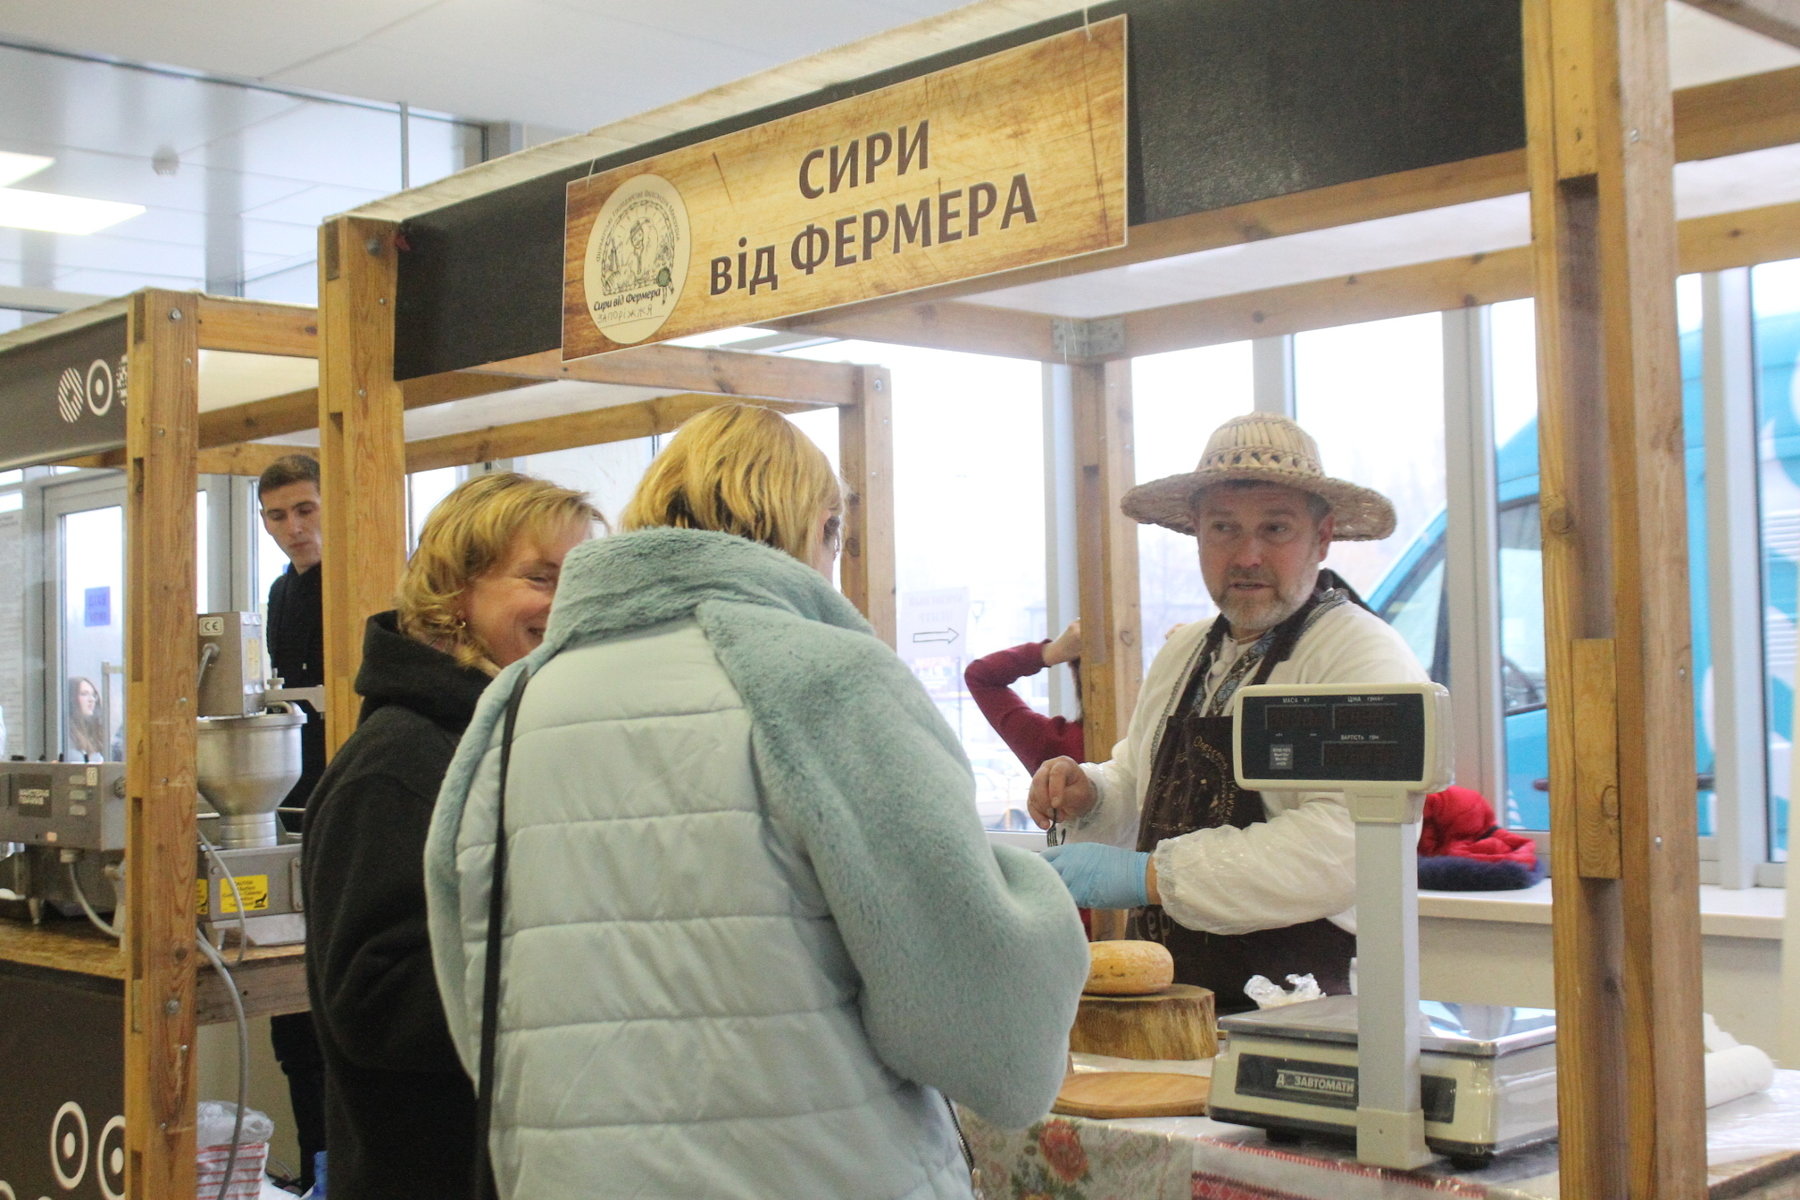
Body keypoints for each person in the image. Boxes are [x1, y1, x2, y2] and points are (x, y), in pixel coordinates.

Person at [426, 405, 1087, 1200]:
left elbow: (478, 1013)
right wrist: (1042, 898)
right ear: (822, 526)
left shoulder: (513, 705)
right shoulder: (825, 679)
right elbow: (992, 1040)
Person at [1028, 412, 1428, 1014]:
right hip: (1172, 1003)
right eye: (1223, 528)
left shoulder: (1361, 657)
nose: (1247, 555)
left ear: (1322, 538)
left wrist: (1149, 879)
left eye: (1275, 528)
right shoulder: (1187, 651)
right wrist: (1093, 794)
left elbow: (1344, 846)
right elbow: (1141, 782)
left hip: (1301, 1009)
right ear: (1195, 532)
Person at [304, 473, 600, 1200]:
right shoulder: (398, 764)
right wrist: (580, 980)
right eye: (540, 577)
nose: (565, 604)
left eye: (584, 580)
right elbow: (372, 1002)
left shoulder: (508, 738)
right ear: (453, 592)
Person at [256, 454, 329, 1195]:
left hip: (343, 810)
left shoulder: (364, 581)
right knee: (292, 1030)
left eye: (304, 510)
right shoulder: (280, 595)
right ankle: (312, 1175)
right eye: (277, 517)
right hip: (289, 814)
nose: (292, 529)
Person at [964, 619, 1084, 774]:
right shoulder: (1059, 744)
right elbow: (980, 676)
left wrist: (1051, 652)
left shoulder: (1057, 747)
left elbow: (980, 676)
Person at [67, 676, 108, 759]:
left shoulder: (92, 732)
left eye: (93, 695)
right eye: (84, 694)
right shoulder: (65, 736)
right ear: (71, 698)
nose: (91, 699)